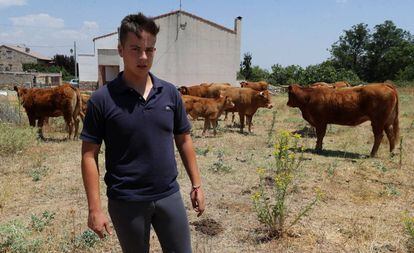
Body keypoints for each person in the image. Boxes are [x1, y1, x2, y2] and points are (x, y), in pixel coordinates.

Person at [80, 12, 205, 253]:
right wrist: (94, 208)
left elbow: (184, 140)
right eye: (135, 49)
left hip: (169, 195)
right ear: (120, 49)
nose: (143, 57)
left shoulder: (169, 93)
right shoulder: (102, 100)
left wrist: (196, 184)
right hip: (127, 200)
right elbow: (88, 156)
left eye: (150, 49)